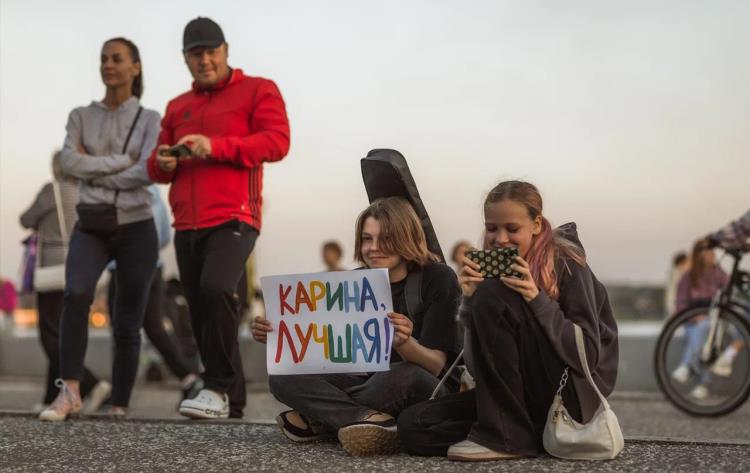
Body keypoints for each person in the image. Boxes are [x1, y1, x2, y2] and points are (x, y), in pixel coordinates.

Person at [398, 180, 619, 461]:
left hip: (568, 396)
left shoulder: (567, 262)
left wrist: (537, 300)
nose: (501, 239)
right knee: (414, 425)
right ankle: (525, 434)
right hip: (511, 398)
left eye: (512, 229)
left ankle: (507, 439)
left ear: (536, 224)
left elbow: (588, 356)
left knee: (493, 293)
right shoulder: (491, 278)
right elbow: (478, 370)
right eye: (492, 228)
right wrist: (470, 301)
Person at [148, 17, 290, 419]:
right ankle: (234, 401)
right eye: (196, 54)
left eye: (212, 52)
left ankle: (216, 386)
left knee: (216, 289)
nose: (205, 60)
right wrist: (162, 162)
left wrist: (214, 147)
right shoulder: (177, 106)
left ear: (226, 50)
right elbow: (157, 168)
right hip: (186, 223)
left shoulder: (258, 89)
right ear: (185, 58)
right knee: (200, 308)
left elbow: (277, 142)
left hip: (235, 216)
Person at [252, 197, 462, 456]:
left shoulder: (438, 278)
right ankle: (367, 420)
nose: (373, 248)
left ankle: (322, 419)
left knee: (404, 375)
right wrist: (278, 334)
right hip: (371, 384)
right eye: (366, 239)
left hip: (421, 384)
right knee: (282, 375)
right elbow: (324, 349)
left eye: (385, 239)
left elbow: (437, 366)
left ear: (406, 237)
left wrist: (406, 344)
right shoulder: (355, 282)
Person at [40, 37, 161, 421]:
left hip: (137, 226)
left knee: (127, 318)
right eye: (104, 58)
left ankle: (120, 402)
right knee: (76, 294)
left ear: (135, 67)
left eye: (117, 58)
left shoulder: (150, 119)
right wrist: (121, 162)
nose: (109, 64)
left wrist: (97, 169)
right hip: (91, 224)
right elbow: (70, 162)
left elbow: (146, 171)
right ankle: (70, 391)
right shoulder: (80, 116)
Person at [20, 152, 111, 412]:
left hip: (52, 267)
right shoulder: (84, 192)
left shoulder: (52, 191)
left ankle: (90, 382)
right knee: (63, 330)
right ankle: (51, 396)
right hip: (78, 264)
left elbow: (26, 219)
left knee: (49, 333)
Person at [107, 186, 203, 402]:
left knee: (121, 330)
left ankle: (119, 394)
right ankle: (187, 377)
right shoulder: (154, 191)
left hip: (124, 267)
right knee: (155, 327)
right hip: (154, 266)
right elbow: (165, 236)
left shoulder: (118, 188)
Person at [670, 241, 737, 399]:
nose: (711, 256)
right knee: (702, 334)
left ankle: (687, 365)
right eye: (708, 253)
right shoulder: (688, 276)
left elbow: (729, 294)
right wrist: (695, 317)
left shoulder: (719, 273)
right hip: (692, 321)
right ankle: (702, 384)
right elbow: (680, 303)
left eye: (713, 253)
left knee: (706, 331)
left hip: (714, 321)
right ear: (700, 256)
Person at [665, 251, 689, 317]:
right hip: (677, 307)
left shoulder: (674, 274)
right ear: (682, 263)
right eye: (687, 261)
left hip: (675, 307)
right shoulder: (678, 275)